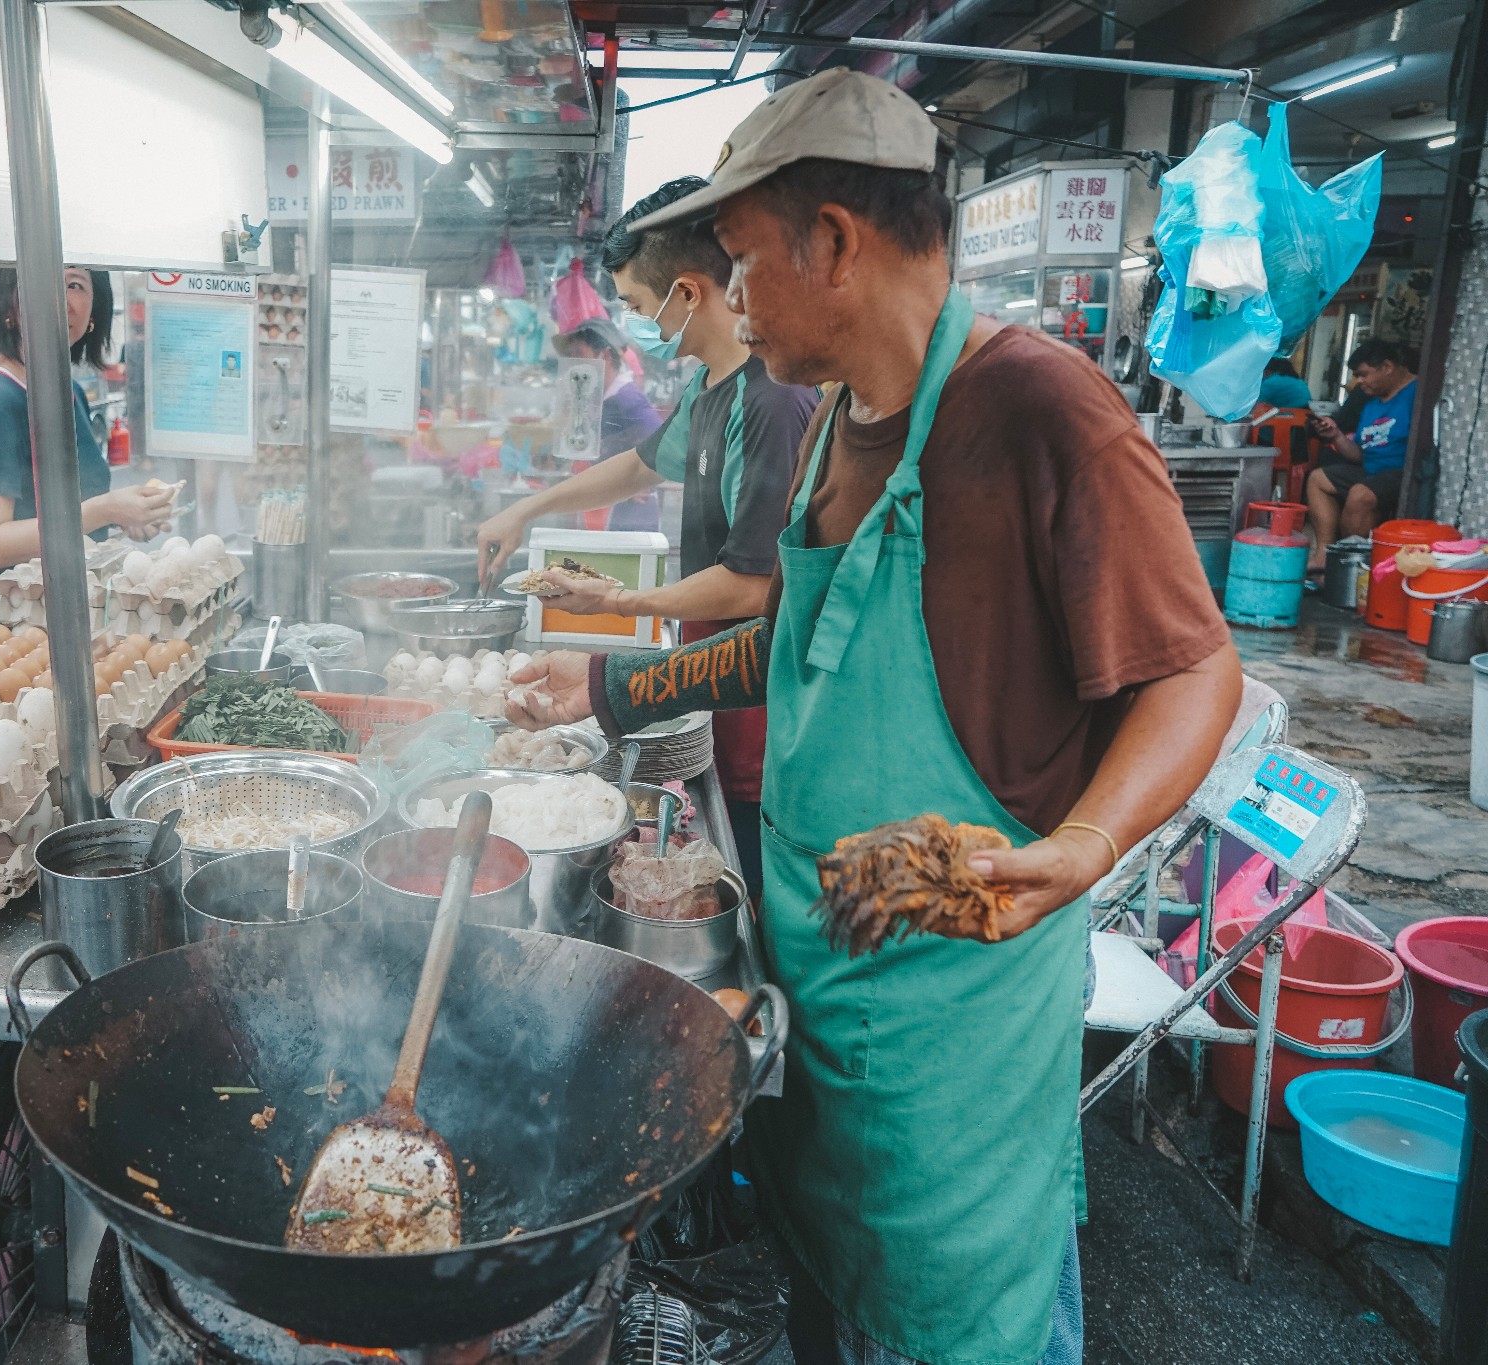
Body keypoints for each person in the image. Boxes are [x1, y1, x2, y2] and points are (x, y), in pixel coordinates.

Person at [506, 70, 1241, 1365]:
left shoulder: (1042, 414)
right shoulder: (843, 421)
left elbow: (1196, 674)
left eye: (740, 265)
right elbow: (793, 646)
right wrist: (611, 683)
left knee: (954, 1326)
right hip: (821, 989)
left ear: (833, 244)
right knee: (833, 1304)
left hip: (948, 1027)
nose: (730, 302)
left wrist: (1081, 847)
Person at [480, 176, 819, 897]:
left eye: (636, 304)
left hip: (756, 694)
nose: (637, 320)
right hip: (706, 674)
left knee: (750, 870)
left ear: (689, 292)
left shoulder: (771, 398)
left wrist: (625, 601)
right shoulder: (709, 386)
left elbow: (755, 582)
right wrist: (527, 510)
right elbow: (638, 466)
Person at [0, 265, 173, 647]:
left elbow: (67, 511)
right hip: (8, 641)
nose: (60, 300)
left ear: (94, 308)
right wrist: (106, 510)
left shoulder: (66, 392)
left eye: (74, 285)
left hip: (66, 623)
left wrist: (126, 517)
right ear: (9, 305)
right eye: (44, 280)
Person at [1304, 338, 1417, 576]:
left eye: (1364, 374)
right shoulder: (1372, 403)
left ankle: (1351, 568)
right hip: (1371, 470)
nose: (1359, 381)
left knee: (1360, 494)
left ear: (1387, 366)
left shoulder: (1418, 393)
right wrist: (1335, 436)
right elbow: (1357, 454)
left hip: (1403, 473)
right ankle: (1324, 555)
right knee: (1318, 479)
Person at [550, 317, 665, 530]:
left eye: (579, 354)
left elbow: (663, 443)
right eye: (570, 355)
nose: (574, 363)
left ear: (604, 355)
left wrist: (637, 482)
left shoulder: (626, 400)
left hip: (627, 516)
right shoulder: (598, 398)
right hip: (608, 507)